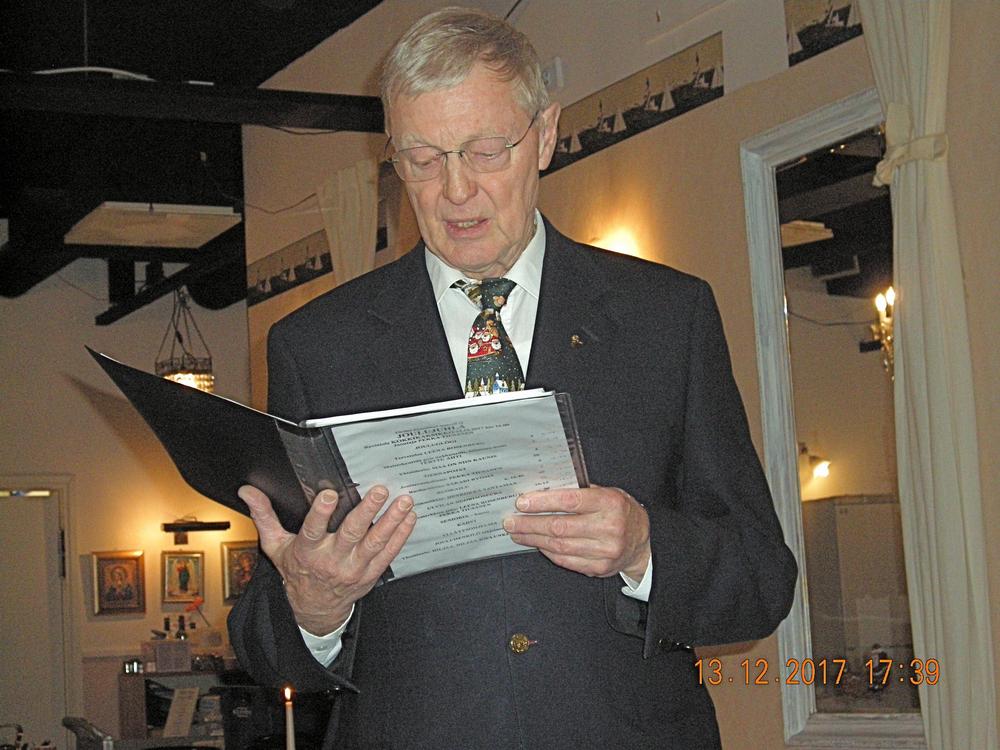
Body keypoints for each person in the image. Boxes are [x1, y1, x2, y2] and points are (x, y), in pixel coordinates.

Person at [229, 8, 797, 749]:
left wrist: (644, 546)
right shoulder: (316, 347)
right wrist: (313, 603)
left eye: (485, 151)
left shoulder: (666, 317)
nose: (455, 190)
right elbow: (265, 641)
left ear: (545, 135)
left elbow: (761, 580)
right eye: (423, 160)